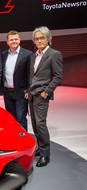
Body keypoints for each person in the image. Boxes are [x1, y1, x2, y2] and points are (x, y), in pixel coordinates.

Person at [28, 26, 63, 167]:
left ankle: (45, 155)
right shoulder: (34, 55)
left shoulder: (54, 54)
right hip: (31, 94)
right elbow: (32, 76)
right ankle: (40, 149)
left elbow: (58, 76)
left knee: (41, 124)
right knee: (35, 125)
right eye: (36, 39)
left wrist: (46, 92)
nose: (39, 41)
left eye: (42, 38)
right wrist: (27, 90)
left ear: (48, 39)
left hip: (42, 95)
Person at [0, 30, 32, 131]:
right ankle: (14, 141)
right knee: (11, 119)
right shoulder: (3, 55)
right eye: (11, 39)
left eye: (16, 39)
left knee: (21, 119)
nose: (14, 41)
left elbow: (30, 74)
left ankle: (24, 142)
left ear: (19, 40)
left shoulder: (27, 54)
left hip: (21, 93)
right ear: (7, 42)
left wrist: (29, 89)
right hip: (7, 93)